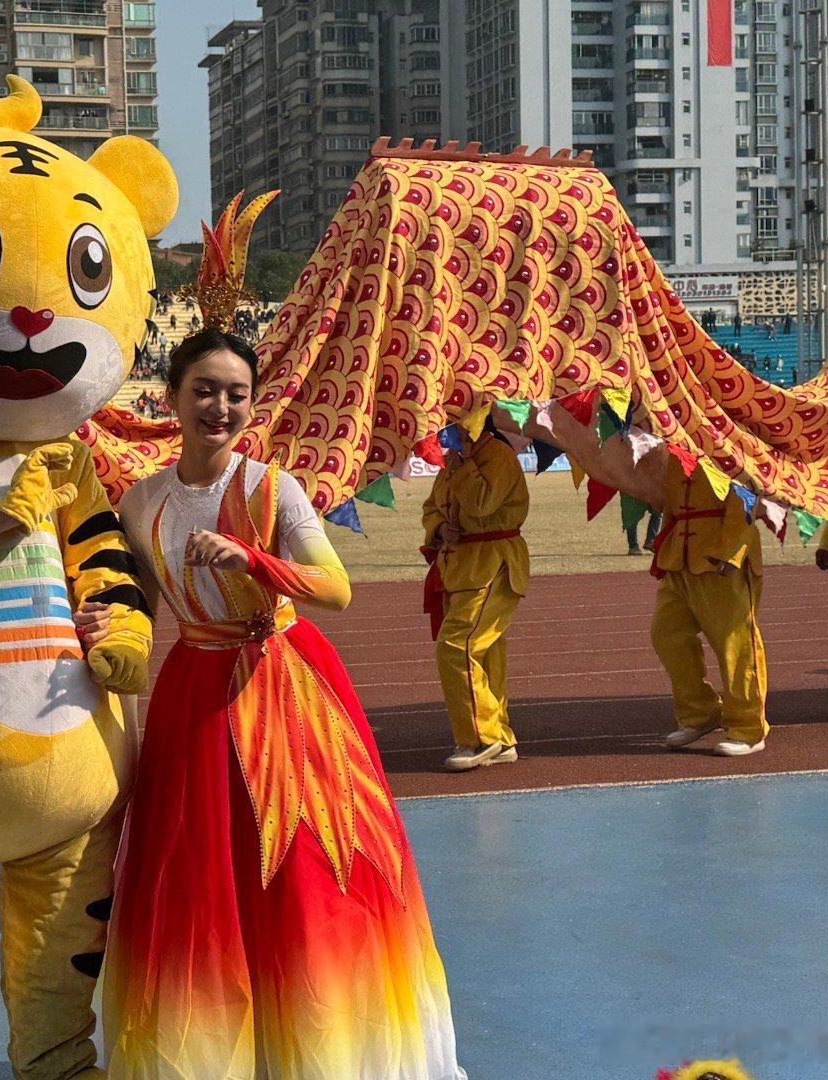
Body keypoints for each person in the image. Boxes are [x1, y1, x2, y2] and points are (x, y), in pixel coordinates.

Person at [90, 328, 464, 1079]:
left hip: (284, 691)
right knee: (199, 875)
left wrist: (256, 561)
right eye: (204, 390)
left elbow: (336, 588)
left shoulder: (273, 489)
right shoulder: (141, 502)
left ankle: (322, 1048)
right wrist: (109, 625)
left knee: (301, 872)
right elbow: (146, 610)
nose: (220, 407)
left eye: (236, 394)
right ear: (171, 398)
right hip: (192, 694)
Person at [420, 417, 530, 771]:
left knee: (456, 646)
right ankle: (500, 736)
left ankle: (482, 737)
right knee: (485, 652)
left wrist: (462, 464)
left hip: (492, 563)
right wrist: (440, 530)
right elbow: (431, 508)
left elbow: (482, 503)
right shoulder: (452, 460)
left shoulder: (497, 456)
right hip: (458, 567)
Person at [649, 453, 768, 756]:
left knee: (734, 643)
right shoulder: (673, 455)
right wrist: (663, 549)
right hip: (679, 559)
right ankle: (699, 712)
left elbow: (747, 498)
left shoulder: (730, 448)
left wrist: (731, 550)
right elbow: (672, 506)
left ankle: (748, 728)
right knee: (665, 634)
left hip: (720, 561)